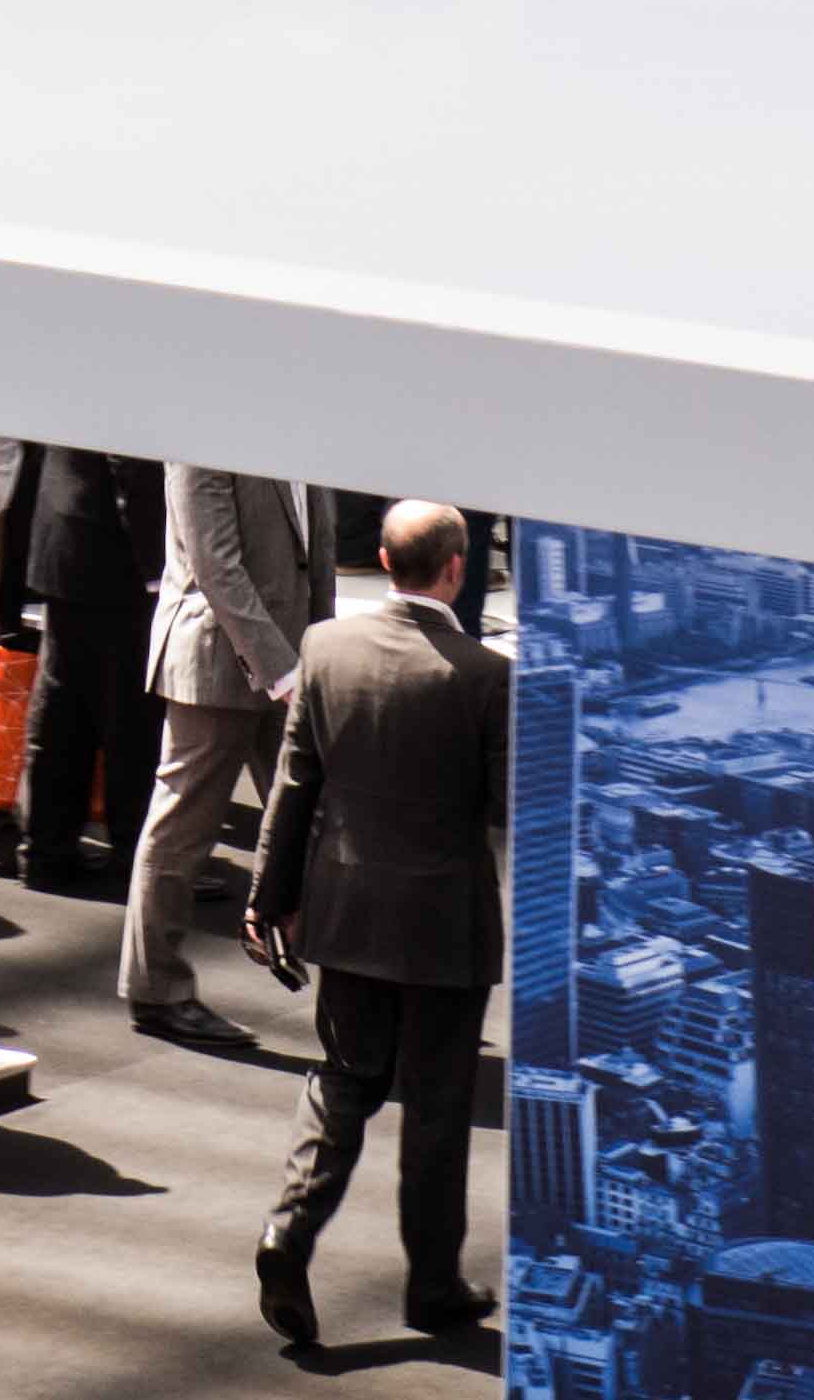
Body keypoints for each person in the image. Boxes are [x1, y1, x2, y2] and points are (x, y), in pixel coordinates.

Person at [245, 498, 515, 1351]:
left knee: (343, 1079)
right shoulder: (484, 676)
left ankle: (286, 1233)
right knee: (436, 1108)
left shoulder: (325, 647)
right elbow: (506, 806)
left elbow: (294, 784)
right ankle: (431, 1288)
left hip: (347, 909)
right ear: (455, 568)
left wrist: (265, 896)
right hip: (444, 924)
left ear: (385, 562)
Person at [118, 467, 338, 1046]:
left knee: (318, 822)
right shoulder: (203, 441)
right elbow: (216, 567)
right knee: (181, 829)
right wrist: (282, 672)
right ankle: (156, 992)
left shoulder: (307, 435)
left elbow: (317, 557)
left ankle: (345, 983)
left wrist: (322, 653)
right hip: (218, 663)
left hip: (292, 661)